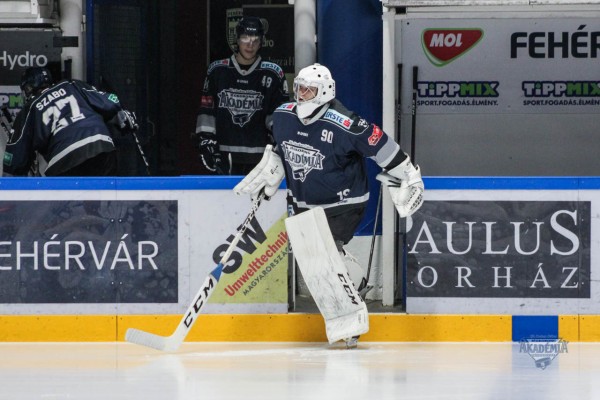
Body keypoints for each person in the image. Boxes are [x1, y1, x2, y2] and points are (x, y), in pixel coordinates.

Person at [234, 63, 424, 348]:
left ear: (325, 92)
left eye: (308, 90)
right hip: (303, 203)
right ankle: (356, 281)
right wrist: (272, 169)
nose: (301, 95)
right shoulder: (284, 116)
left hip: (344, 203)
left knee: (325, 254)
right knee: (311, 261)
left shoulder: (346, 123)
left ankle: (351, 319)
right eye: (298, 88)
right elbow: (279, 147)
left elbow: (382, 145)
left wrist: (407, 173)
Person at [195, 16, 289, 175]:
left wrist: (281, 143)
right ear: (237, 40)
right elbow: (207, 111)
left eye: (255, 39)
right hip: (224, 153)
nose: (250, 44)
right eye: (245, 38)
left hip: (261, 155)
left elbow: (278, 115)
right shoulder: (217, 71)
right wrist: (206, 140)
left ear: (261, 42)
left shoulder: (273, 73)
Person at [3, 67, 138, 176]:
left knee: (65, 207)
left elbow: (15, 161)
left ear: (27, 89)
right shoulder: (71, 85)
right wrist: (121, 115)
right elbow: (111, 102)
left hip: (64, 160)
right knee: (103, 196)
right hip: (100, 146)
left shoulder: (30, 108)